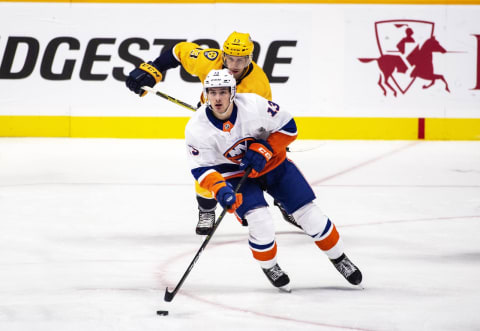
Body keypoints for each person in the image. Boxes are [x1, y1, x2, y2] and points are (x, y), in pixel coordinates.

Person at [184, 69, 362, 290]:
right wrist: (221, 189)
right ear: (206, 94)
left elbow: (290, 128)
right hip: (234, 173)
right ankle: (270, 266)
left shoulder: (255, 106)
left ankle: (339, 258)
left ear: (233, 92)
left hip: (274, 165)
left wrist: (265, 149)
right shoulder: (196, 128)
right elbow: (202, 169)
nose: (217, 98)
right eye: (212, 92)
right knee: (260, 221)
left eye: (222, 92)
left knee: (311, 216)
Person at [125, 31, 297, 235]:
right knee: (207, 166)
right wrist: (155, 68)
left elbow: (262, 120)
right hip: (209, 121)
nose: (234, 65)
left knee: (265, 164)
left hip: (243, 129)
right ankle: (206, 209)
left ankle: (285, 201)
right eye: (230, 58)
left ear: (249, 59)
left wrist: (270, 144)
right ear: (223, 55)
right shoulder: (209, 61)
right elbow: (178, 51)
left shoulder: (258, 86)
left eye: (240, 60)